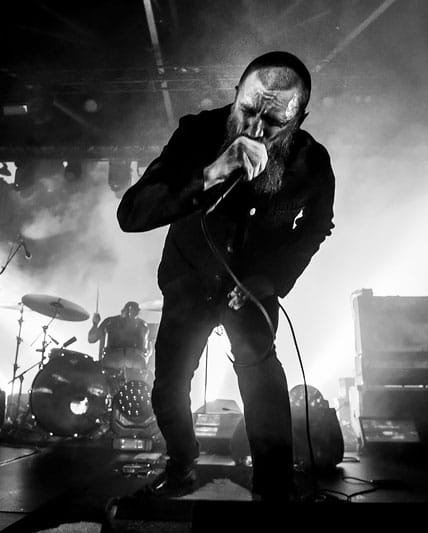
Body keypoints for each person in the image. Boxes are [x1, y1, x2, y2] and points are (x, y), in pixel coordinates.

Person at [117, 51, 335, 501]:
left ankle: (274, 484)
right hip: (189, 279)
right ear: (236, 93)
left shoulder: (311, 162)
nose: (255, 128)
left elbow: (317, 227)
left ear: (299, 118)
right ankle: (181, 463)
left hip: (252, 288)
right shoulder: (196, 134)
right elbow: (132, 213)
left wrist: (272, 279)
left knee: (262, 377)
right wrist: (214, 172)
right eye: (248, 109)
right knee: (170, 382)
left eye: (273, 121)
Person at [87, 301, 150, 372]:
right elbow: (144, 349)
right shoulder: (143, 325)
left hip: (113, 359)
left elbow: (91, 339)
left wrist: (95, 324)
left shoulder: (110, 321)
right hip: (134, 360)